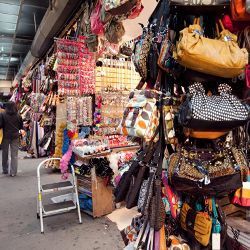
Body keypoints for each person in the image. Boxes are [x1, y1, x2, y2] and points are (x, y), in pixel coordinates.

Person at [0, 102, 23, 176]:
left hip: (5, 136)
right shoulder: (18, 115)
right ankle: (13, 172)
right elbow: (20, 126)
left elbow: (0, 125)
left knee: (4, 153)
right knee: (14, 155)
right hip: (15, 136)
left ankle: (5, 169)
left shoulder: (2, 114)